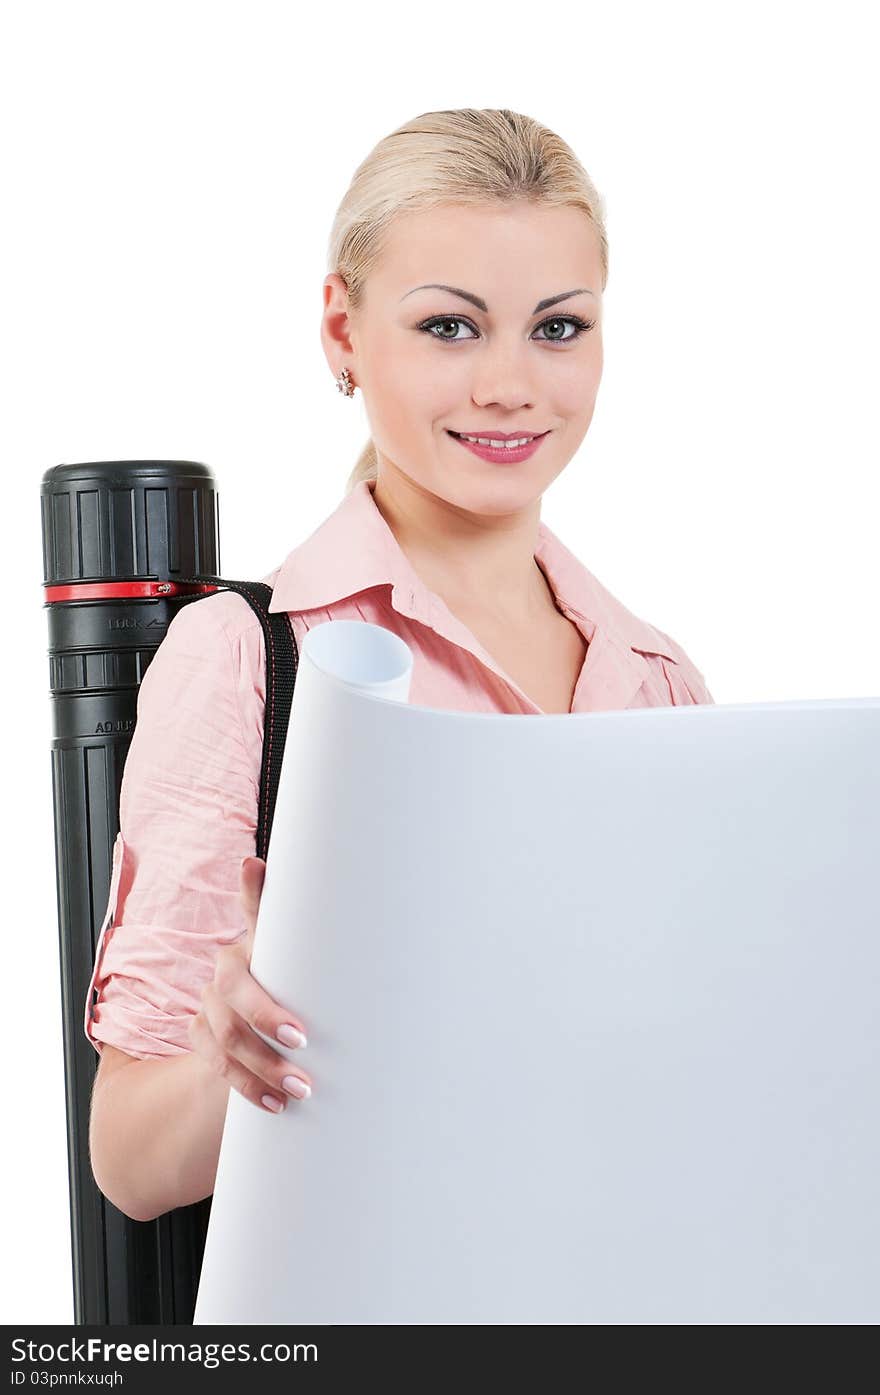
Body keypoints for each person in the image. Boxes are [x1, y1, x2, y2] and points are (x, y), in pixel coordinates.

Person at [86, 106, 715, 1223]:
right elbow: (131, 1164)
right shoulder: (248, 661)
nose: (511, 385)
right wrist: (234, 1068)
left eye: (557, 328)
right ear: (342, 329)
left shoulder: (658, 682)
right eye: (450, 328)